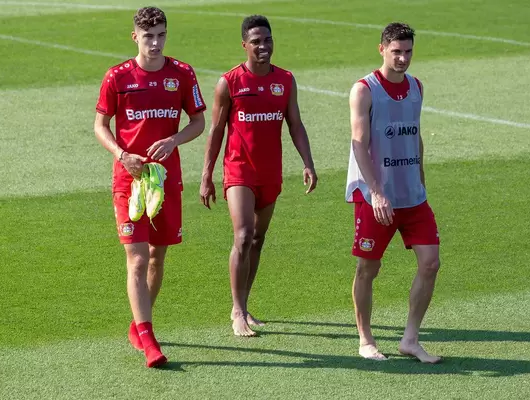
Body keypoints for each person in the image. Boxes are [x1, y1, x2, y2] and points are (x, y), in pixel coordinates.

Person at [94, 6, 206, 367]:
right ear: (135, 37)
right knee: (138, 258)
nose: (155, 43)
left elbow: (199, 122)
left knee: (158, 256)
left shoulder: (183, 74)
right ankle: (148, 336)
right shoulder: (117, 77)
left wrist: (174, 140)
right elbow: (100, 125)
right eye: (148, 37)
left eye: (160, 35)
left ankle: (138, 324)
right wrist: (121, 153)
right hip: (129, 180)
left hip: (166, 180)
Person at [200, 15, 318, 337]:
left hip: (270, 172)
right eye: (256, 42)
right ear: (244, 45)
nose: (263, 47)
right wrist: (207, 174)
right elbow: (216, 130)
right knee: (242, 235)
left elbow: (295, 124)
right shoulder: (229, 83)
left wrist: (308, 162)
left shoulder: (285, 81)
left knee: (257, 240)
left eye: (267, 40)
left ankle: (245, 305)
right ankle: (236, 312)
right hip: (239, 170)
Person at [346, 22, 441, 363]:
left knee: (430, 264)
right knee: (368, 269)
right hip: (375, 198)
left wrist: (422, 179)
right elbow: (359, 143)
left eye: (408, 51)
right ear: (382, 49)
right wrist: (376, 192)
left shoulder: (417, 87)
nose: (403, 58)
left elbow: (416, 136)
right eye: (396, 51)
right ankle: (365, 339)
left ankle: (410, 339)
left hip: (412, 194)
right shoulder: (364, 90)